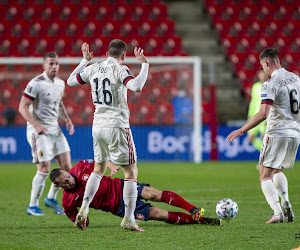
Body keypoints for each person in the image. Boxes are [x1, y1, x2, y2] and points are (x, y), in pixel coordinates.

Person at [67, 40, 153, 231]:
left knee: (98, 169)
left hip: (97, 126)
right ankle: (129, 219)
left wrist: (84, 61)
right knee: (131, 173)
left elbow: (71, 81)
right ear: (123, 56)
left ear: (106, 53)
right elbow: (137, 87)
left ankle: (84, 208)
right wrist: (144, 64)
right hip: (117, 126)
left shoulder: (93, 68)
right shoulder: (121, 70)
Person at [227, 48, 299, 224]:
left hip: (276, 132)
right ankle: (286, 201)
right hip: (295, 132)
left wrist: (241, 130)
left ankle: (277, 211)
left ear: (266, 63)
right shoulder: (296, 78)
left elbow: (263, 114)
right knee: (277, 170)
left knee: (264, 174)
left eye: (262, 66)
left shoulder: (270, 84)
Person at [49, 160, 220, 229]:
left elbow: (100, 160)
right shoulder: (67, 201)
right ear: (58, 186)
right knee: (160, 215)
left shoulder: (79, 167)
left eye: (68, 176)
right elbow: (78, 220)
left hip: (122, 186)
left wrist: (110, 166)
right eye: (65, 182)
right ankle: (201, 220)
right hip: (118, 207)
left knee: (153, 194)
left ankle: (193, 209)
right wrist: (80, 223)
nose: (70, 181)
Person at [19, 52, 75, 216]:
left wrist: (67, 119)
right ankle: (32, 205)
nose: (54, 66)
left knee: (66, 167)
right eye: (51, 64)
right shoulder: (35, 83)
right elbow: (22, 107)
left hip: (55, 129)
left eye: (56, 63)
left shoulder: (60, 83)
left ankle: (51, 198)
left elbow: (59, 104)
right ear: (44, 65)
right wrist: (36, 125)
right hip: (38, 131)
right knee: (44, 168)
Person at [247, 69, 269, 151]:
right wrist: (250, 115)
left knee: (265, 139)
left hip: (264, 117)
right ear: (258, 75)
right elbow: (252, 102)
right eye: (261, 74)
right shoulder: (255, 86)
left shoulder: (270, 86)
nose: (262, 76)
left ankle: (266, 159)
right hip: (255, 116)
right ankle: (264, 152)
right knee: (250, 138)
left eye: (264, 74)